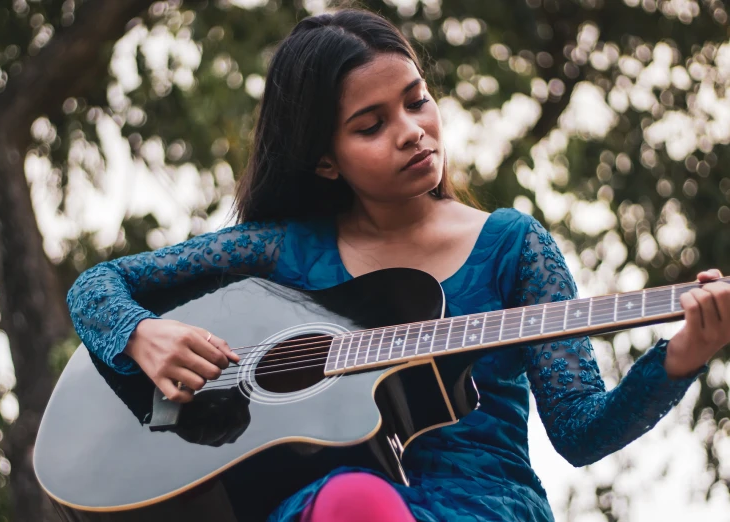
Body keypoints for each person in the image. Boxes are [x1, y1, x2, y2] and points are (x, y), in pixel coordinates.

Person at [66, 9, 730, 522]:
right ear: (325, 161)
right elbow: (98, 284)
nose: (412, 129)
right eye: (370, 124)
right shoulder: (287, 249)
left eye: (416, 100)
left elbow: (581, 433)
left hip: (481, 505)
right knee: (353, 499)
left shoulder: (510, 246)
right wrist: (140, 335)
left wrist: (679, 357)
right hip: (329, 507)